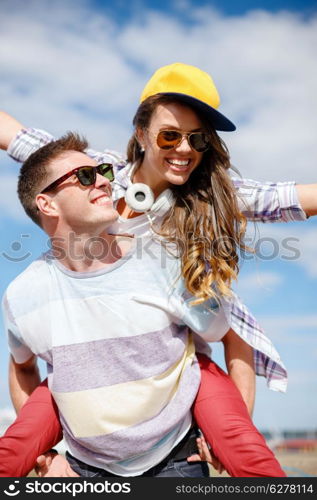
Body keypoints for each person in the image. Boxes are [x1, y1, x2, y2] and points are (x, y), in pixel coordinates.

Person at [1, 62, 315, 476]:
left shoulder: (205, 198)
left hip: (170, 349)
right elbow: (17, 138)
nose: (185, 149)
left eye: (198, 139)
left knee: (245, 453)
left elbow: (285, 199)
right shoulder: (94, 172)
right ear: (141, 135)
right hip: (89, 349)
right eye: (170, 135)